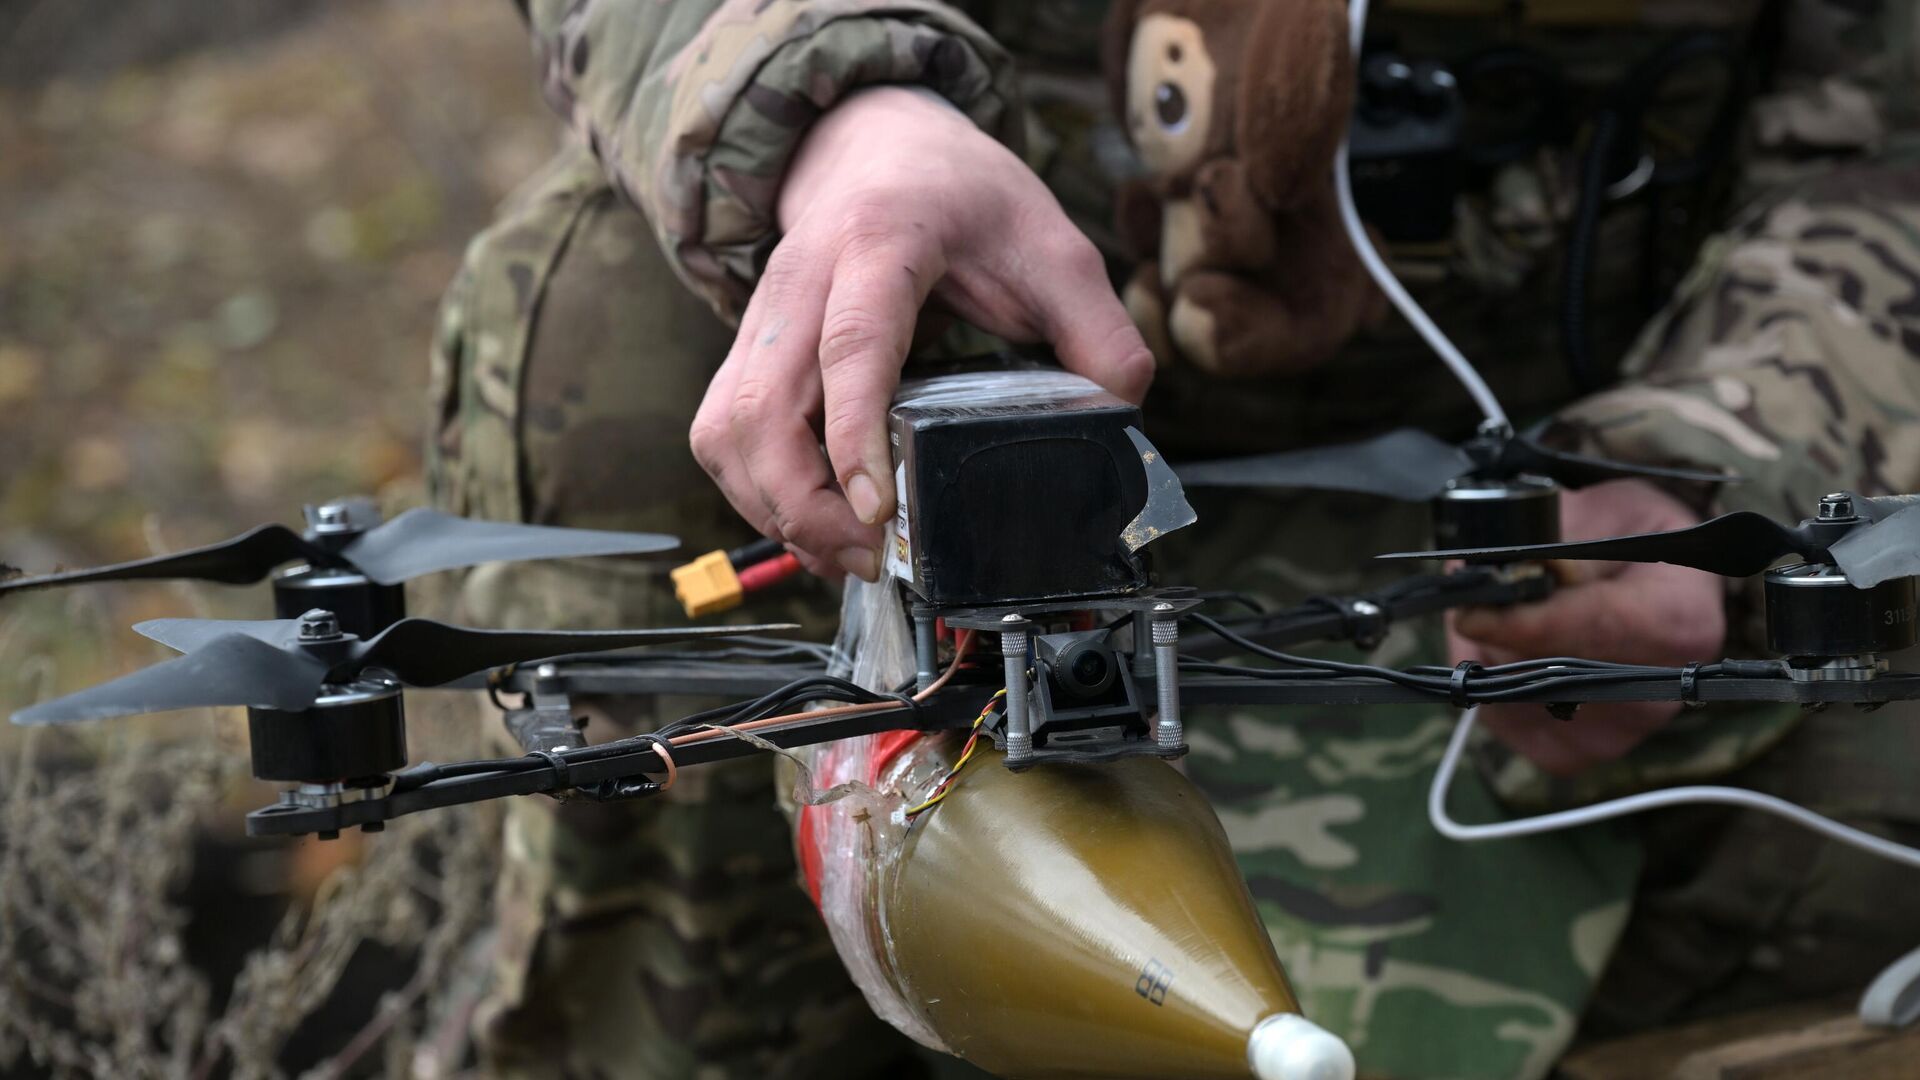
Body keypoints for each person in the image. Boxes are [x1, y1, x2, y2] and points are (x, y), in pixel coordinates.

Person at [426, 1, 1920, 1076]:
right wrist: (839, 108)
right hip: (917, 366)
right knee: (600, 324)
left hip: (1575, 452)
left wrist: (1706, 472)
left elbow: (1883, 147)